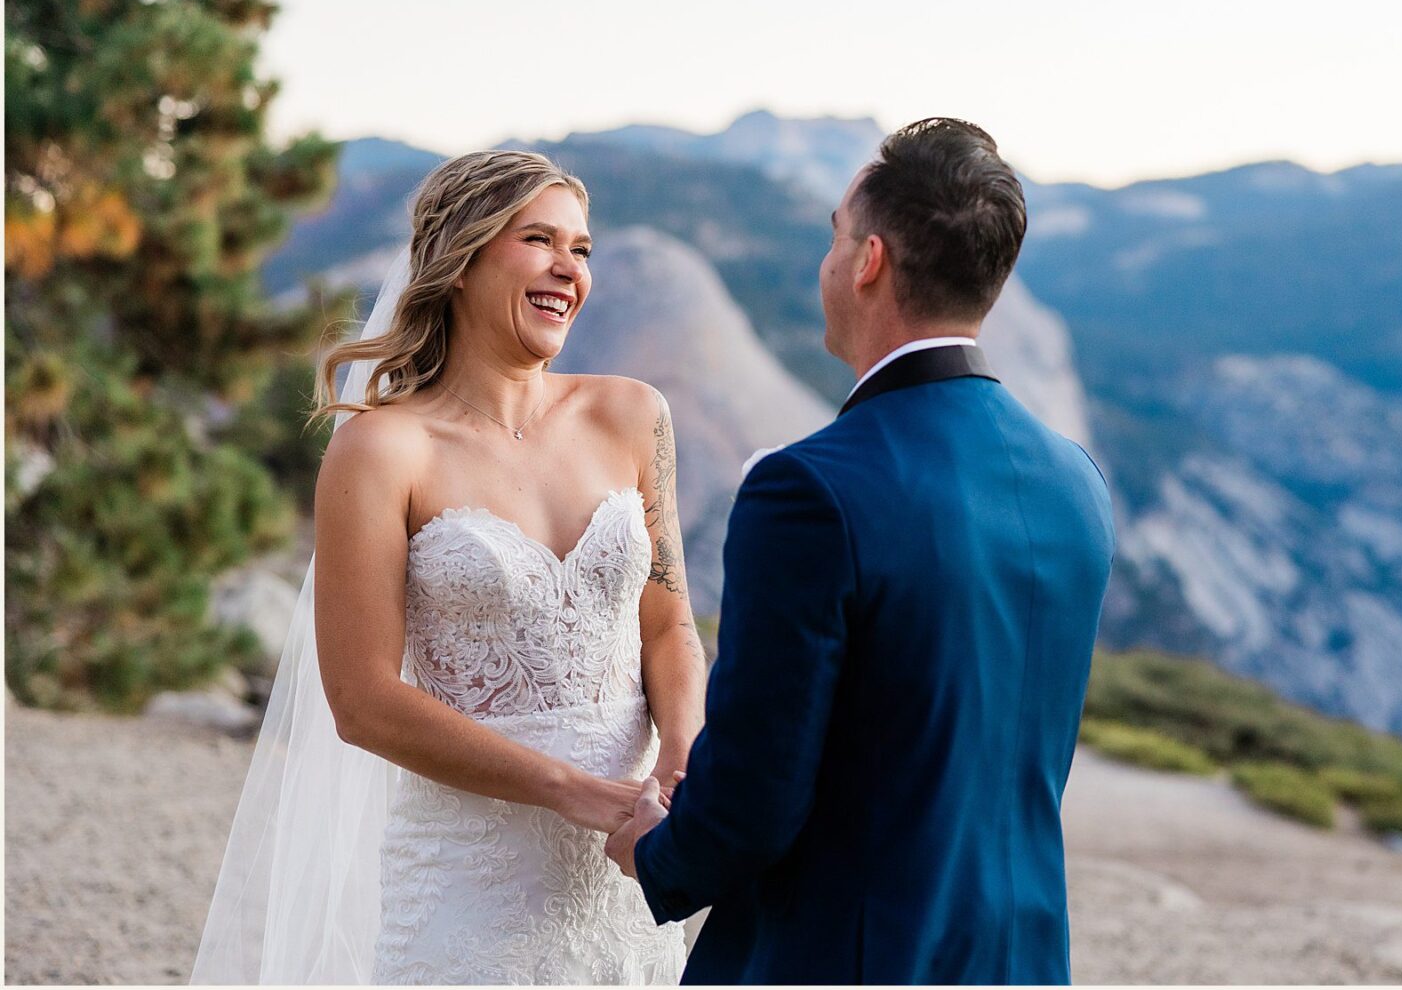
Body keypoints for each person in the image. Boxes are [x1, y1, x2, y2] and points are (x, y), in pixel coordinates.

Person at [604, 118, 1116, 984]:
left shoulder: (808, 491)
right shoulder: (1078, 483)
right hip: (1020, 961)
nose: (827, 262)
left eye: (835, 238)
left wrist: (657, 850)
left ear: (869, 261)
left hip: (844, 955)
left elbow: (757, 796)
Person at [192, 150, 705, 984]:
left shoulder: (632, 414)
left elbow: (667, 621)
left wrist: (683, 761)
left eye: (581, 248)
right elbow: (361, 702)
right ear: (462, 260)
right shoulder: (381, 449)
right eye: (538, 240)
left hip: (626, 870)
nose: (567, 269)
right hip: (471, 887)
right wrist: (575, 790)